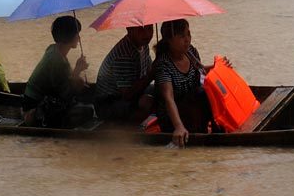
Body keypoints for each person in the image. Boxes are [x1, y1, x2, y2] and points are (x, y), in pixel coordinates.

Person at [153, 18, 229, 147]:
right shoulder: (163, 64)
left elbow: (202, 70)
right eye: (182, 36)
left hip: (192, 105)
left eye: (188, 34)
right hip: (173, 116)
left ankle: (215, 125)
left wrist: (219, 67)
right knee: (201, 94)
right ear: (169, 40)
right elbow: (168, 98)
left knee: (206, 91)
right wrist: (178, 127)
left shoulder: (190, 51)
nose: (187, 39)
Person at [22, 16, 90, 127]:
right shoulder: (56, 59)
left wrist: (77, 76)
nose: (79, 37)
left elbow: (64, 81)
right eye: (77, 34)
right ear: (68, 36)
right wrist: (77, 71)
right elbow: (64, 95)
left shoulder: (53, 49)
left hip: (35, 101)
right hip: (35, 107)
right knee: (87, 111)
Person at [95, 25, 156, 121]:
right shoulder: (123, 55)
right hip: (110, 102)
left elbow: (150, 70)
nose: (147, 34)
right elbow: (127, 95)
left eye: (150, 29)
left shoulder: (143, 45)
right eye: (141, 29)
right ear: (129, 29)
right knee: (149, 103)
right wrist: (151, 75)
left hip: (132, 92)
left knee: (160, 91)